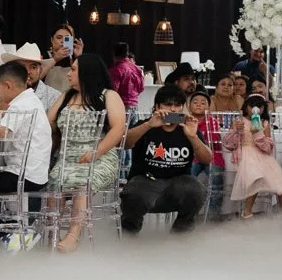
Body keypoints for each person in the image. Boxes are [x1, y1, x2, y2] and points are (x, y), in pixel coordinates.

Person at [46, 52, 125, 253]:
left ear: (87, 72)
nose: (68, 74)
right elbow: (49, 123)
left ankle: (74, 234)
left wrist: (96, 152)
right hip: (68, 158)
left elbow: (118, 128)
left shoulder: (108, 96)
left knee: (83, 184)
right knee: (55, 183)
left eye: (73, 69)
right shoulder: (66, 96)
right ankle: (52, 232)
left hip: (100, 157)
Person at [119, 85, 211, 234]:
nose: (173, 109)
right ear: (157, 106)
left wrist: (193, 137)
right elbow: (124, 144)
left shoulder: (187, 128)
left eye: (177, 105)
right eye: (168, 104)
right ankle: (129, 236)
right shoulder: (147, 124)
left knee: (197, 190)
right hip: (145, 181)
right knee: (133, 195)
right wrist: (148, 125)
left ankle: (180, 236)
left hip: (178, 184)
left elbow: (207, 159)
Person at [0, 60, 51, 250]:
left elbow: (1, 134)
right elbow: (9, 127)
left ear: (8, 85)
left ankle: (12, 236)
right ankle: (11, 233)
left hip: (22, 174)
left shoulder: (19, 105)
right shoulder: (30, 100)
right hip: (35, 172)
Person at [224, 91, 282, 217]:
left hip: (264, 156)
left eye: (259, 107)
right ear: (246, 107)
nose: (256, 109)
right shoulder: (239, 121)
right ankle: (247, 213)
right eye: (252, 106)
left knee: (281, 183)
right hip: (247, 155)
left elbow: (268, 148)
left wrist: (258, 134)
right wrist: (236, 131)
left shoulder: (264, 123)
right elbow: (228, 145)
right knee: (255, 178)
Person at [42, 25, 80, 94]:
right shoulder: (44, 56)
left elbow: (84, 81)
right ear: (52, 40)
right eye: (59, 38)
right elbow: (36, 77)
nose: (62, 41)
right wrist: (55, 59)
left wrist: (79, 58)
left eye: (67, 39)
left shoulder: (75, 58)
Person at [110, 42, 146, 113]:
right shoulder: (138, 69)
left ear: (114, 54)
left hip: (121, 106)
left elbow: (114, 90)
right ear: (127, 53)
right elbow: (141, 88)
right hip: (135, 106)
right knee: (136, 124)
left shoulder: (116, 69)